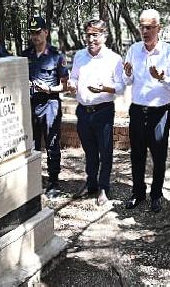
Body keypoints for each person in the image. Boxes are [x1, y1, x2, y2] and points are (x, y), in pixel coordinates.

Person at [122, 9, 170, 213]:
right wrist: (128, 74)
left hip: (160, 112)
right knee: (137, 155)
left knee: (158, 156)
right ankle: (138, 193)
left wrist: (162, 78)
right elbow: (127, 81)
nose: (145, 31)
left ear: (159, 28)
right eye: (142, 26)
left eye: (149, 27)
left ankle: (156, 194)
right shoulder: (133, 50)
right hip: (138, 110)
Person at [69, 19, 125, 206]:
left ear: (104, 36)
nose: (91, 39)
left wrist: (104, 88)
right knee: (89, 150)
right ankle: (91, 183)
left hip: (103, 111)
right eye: (88, 35)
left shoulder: (114, 59)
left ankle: (103, 188)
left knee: (105, 151)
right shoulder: (79, 56)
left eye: (95, 35)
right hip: (83, 111)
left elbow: (121, 87)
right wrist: (72, 84)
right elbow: (74, 77)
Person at [22, 16, 69, 199]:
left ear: (46, 32)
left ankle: (53, 182)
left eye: (38, 32)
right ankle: (33, 180)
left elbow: (64, 86)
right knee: (32, 145)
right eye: (32, 33)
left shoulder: (57, 56)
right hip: (31, 104)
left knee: (52, 144)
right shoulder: (26, 56)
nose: (35, 36)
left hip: (50, 104)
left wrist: (49, 88)